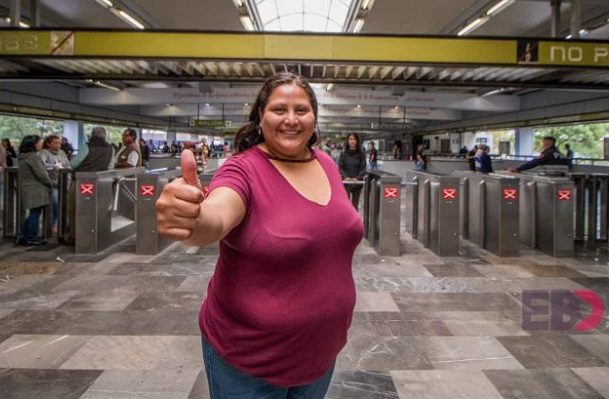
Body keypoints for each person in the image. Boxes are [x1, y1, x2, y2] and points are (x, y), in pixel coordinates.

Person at [156, 72, 363, 398]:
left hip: (320, 353)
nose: (291, 120)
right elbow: (218, 215)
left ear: (314, 118)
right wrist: (193, 220)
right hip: (250, 360)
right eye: (279, 109)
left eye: (302, 110)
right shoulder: (243, 169)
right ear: (260, 116)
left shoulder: (325, 163)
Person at [66, 127, 114, 244]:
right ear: (104, 136)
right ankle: (96, 235)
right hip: (101, 183)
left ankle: (75, 236)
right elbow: (110, 167)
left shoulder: (87, 146)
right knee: (97, 209)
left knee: (75, 209)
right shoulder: (110, 148)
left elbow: (73, 164)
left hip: (81, 182)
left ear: (92, 135)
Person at [17, 135, 52, 246]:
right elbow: (41, 174)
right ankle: (31, 237)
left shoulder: (22, 156)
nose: (41, 145)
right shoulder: (33, 156)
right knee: (35, 213)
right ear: (33, 144)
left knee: (33, 212)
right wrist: (50, 183)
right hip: (37, 188)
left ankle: (24, 235)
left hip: (28, 187)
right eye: (39, 143)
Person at [39, 135, 71, 234]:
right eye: (55, 143)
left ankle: (63, 223)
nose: (58, 145)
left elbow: (68, 164)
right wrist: (54, 166)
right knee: (55, 202)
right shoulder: (43, 153)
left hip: (64, 182)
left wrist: (64, 167)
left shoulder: (62, 153)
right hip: (52, 183)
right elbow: (42, 165)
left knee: (65, 204)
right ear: (48, 144)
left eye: (59, 143)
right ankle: (54, 223)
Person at [339, 133, 367, 209]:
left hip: (357, 183)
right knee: (346, 205)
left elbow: (363, 168)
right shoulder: (343, 153)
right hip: (346, 183)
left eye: (354, 139)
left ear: (357, 141)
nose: (352, 141)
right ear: (347, 141)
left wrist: (357, 178)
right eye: (350, 139)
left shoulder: (362, 154)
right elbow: (341, 167)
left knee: (355, 206)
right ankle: (346, 220)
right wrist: (346, 177)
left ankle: (354, 220)